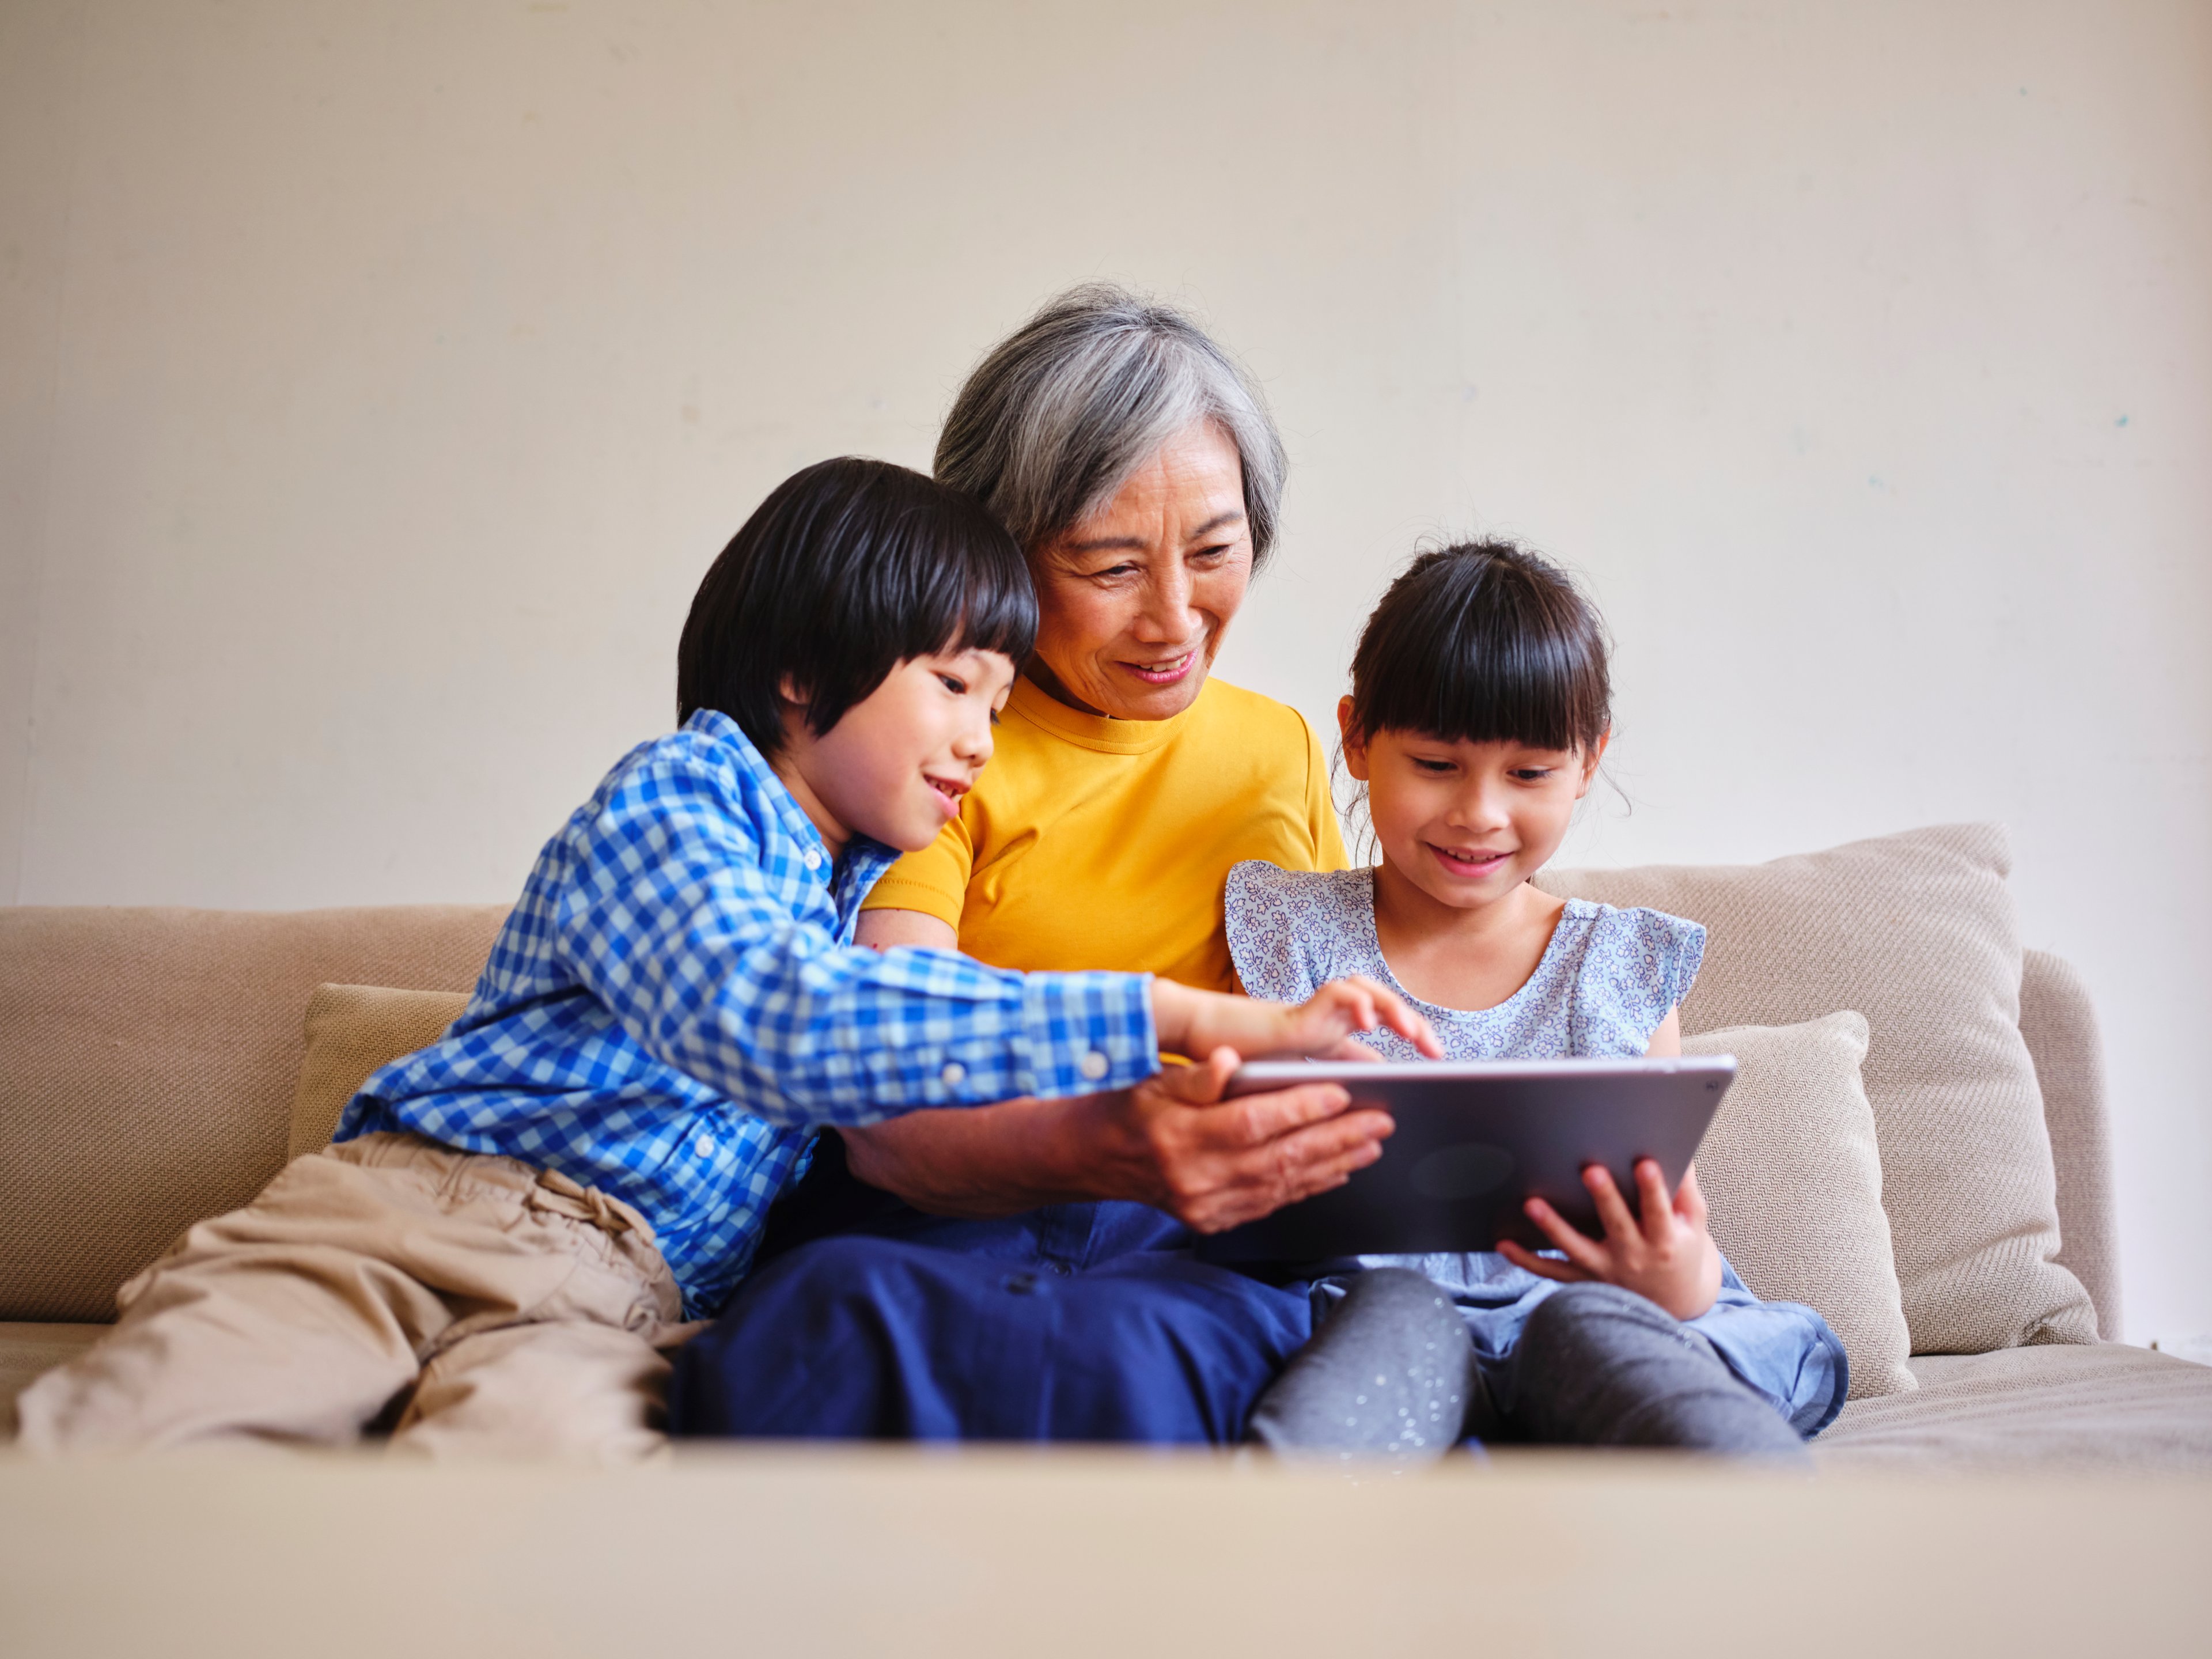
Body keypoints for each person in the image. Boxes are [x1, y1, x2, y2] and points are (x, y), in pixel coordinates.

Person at [16, 456, 1428, 1459]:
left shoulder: (854, 889)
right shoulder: (682, 798)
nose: (980, 744)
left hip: (621, 1306)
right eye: (952, 687)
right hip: (422, 1219)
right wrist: (1170, 1017)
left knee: (547, 1520)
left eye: (997, 705)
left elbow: (887, 1112)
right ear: (804, 675)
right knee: (135, 1451)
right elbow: (779, 1018)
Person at [672, 286, 1438, 1444]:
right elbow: (885, 1100)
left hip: (1201, 1246)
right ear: (1005, 555)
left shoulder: (1278, 748)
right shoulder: (934, 748)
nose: (1175, 618)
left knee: (1220, 1347)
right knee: (848, 1330)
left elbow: (1355, 1031)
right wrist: (1117, 1146)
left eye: (1216, 552)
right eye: (1111, 567)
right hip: (949, 1219)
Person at [1228, 541, 1848, 1459]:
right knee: (1386, 1334)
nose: (1480, 812)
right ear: (1357, 740)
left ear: (1588, 762)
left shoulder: (1618, 965)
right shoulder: (1289, 935)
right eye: (1437, 763)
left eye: (1528, 775)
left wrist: (1673, 1279)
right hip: (1367, 1307)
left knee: (1602, 1340)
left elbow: (1670, 1226)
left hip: (1589, 1307)